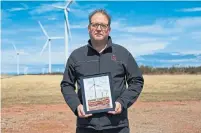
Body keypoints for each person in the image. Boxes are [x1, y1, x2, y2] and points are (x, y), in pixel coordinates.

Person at [60, 9, 144, 133]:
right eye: (94, 25)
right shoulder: (76, 56)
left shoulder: (122, 54)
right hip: (86, 127)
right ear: (89, 28)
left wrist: (122, 102)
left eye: (103, 25)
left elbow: (136, 81)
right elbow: (66, 84)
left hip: (117, 126)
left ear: (109, 29)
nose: (98, 29)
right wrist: (77, 106)